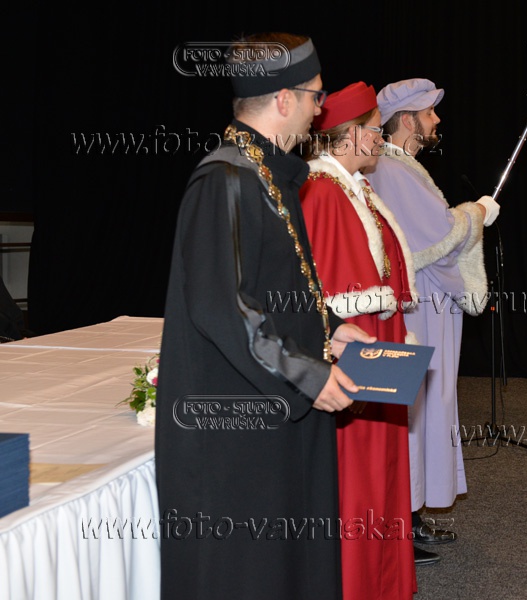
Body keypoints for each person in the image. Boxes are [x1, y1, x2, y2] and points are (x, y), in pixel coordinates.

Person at [155, 34, 374, 600]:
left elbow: (279, 284)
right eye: (316, 96)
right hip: (240, 427)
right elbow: (223, 307)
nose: (320, 109)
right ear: (283, 99)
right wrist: (308, 375)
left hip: (277, 406)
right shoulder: (223, 180)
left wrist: (329, 329)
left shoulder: (268, 173)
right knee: (250, 572)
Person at [365, 79, 500, 561]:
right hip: (418, 307)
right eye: (429, 113)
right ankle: (399, 525)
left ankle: (410, 517)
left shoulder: (403, 167)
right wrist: (477, 213)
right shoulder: (392, 170)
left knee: (420, 409)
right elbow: (438, 237)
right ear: (407, 120)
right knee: (415, 410)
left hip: (424, 301)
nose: (437, 120)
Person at [299, 82, 416, 598]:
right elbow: (321, 289)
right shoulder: (322, 191)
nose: (380, 138)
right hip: (354, 347)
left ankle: (381, 581)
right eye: (373, 129)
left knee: (382, 464)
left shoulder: (357, 188)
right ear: (348, 135)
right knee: (359, 469)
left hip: (376, 340)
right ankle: (357, 583)